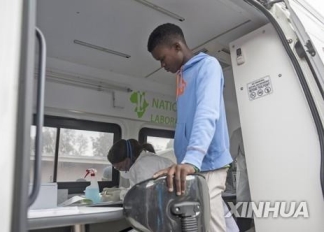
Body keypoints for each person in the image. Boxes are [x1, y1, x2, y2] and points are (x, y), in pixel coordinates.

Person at [147, 23, 233, 232]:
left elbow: (207, 113)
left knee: (211, 227)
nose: (162, 65)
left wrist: (191, 159)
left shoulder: (208, 66)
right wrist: (183, 162)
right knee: (200, 223)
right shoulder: (181, 76)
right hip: (194, 165)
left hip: (208, 164)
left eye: (162, 58)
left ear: (177, 47)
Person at [107, 139, 174, 187]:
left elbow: (143, 195)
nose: (123, 170)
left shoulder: (142, 166)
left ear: (127, 160)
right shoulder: (143, 161)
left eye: (120, 167)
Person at [230, 127, 253, 232]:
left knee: (243, 224)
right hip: (249, 187)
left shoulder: (238, 133)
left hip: (245, 188)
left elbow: (229, 157)